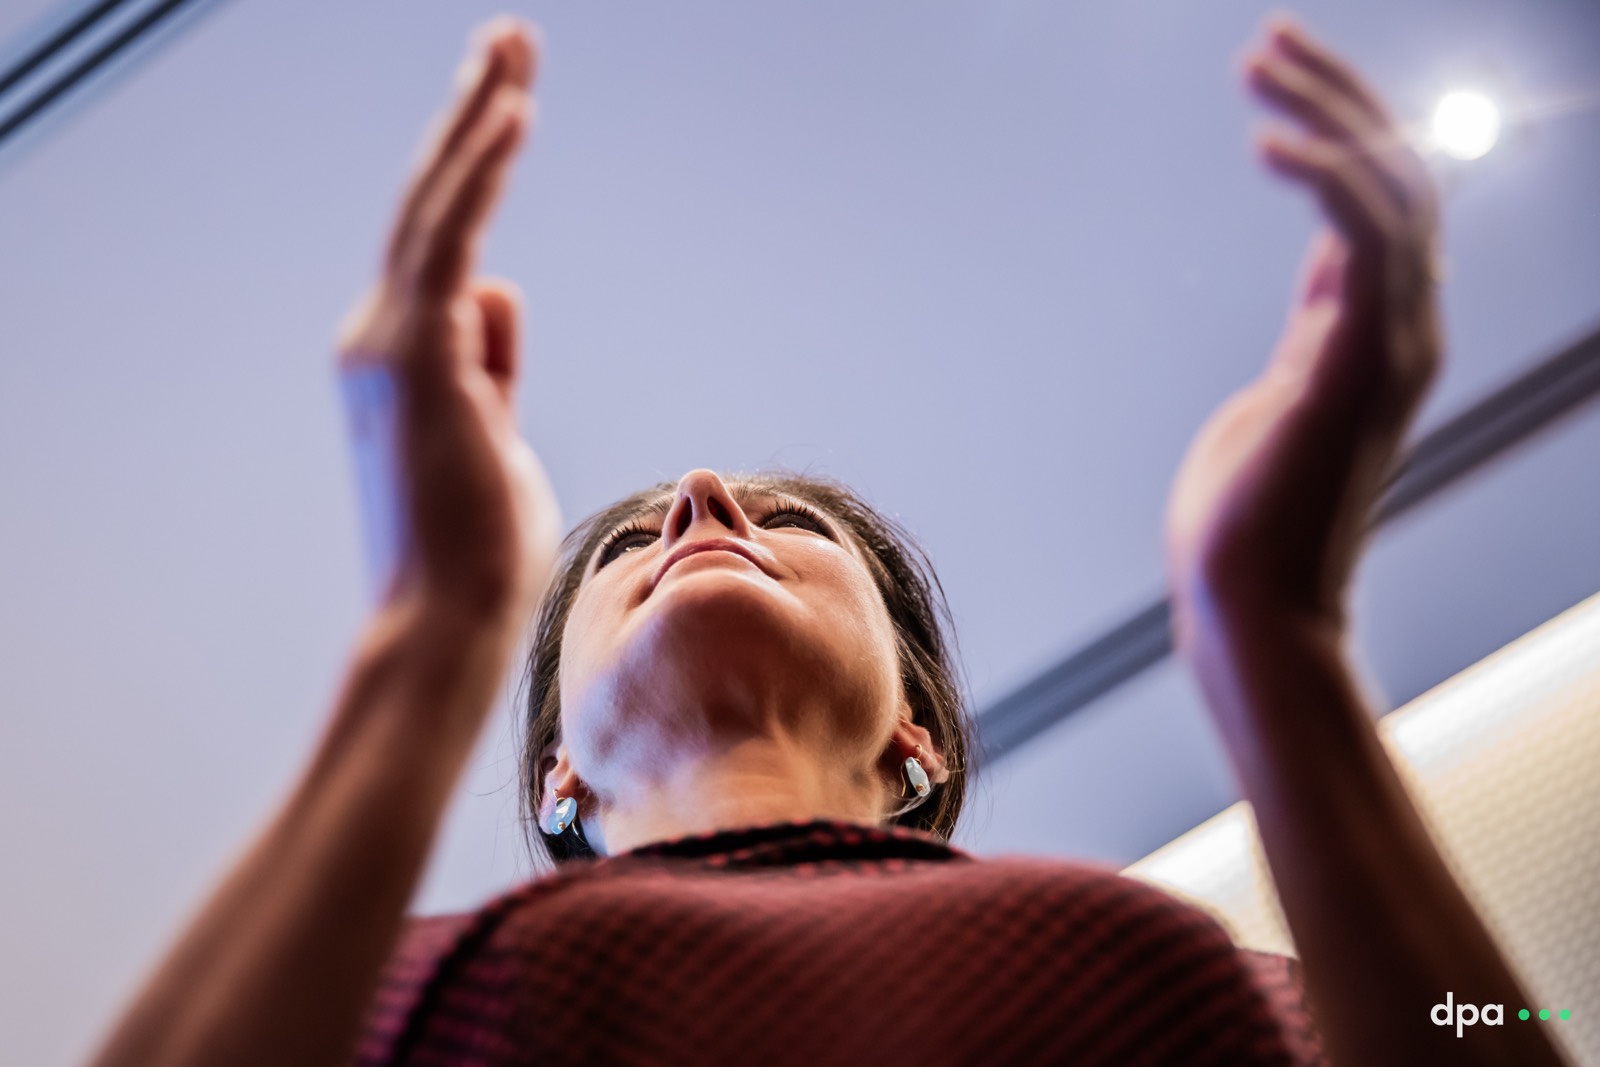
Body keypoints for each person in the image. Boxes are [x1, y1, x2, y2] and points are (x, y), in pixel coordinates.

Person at [84, 13, 1570, 1067]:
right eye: (625, 550)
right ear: (558, 778)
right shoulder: (380, 995)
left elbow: (1522, 1032)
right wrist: (432, 631)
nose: (706, 505)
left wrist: (1272, 637)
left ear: (920, 735)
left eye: (789, 524)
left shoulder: (1189, 973)